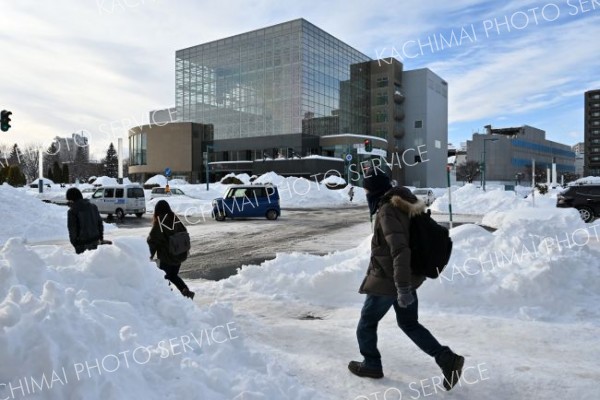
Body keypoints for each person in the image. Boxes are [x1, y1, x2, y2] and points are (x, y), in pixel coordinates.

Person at [348, 168, 464, 391]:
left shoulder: (388, 210)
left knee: (366, 323)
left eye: (366, 189)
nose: (365, 194)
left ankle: (372, 364)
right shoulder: (403, 203)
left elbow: (400, 250)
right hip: (407, 277)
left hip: (390, 280)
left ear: (375, 189)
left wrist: (402, 287)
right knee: (409, 323)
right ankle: (446, 359)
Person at [147, 200, 195, 299]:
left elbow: (152, 242)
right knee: (173, 276)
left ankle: (168, 300)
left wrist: (147, 257)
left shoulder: (160, 223)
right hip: (179, 255)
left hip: (167, 258)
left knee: (164, 279)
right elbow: (184, 233)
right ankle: (186, 291)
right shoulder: (175, 219)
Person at [66, 187, 104, 254]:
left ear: (71, 200)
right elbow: (100, 224)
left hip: (82, 245)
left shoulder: (72, 211)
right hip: (96, 241)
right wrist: (100, 238)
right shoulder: (93, 207)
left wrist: (75, 244)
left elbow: (72, 230)